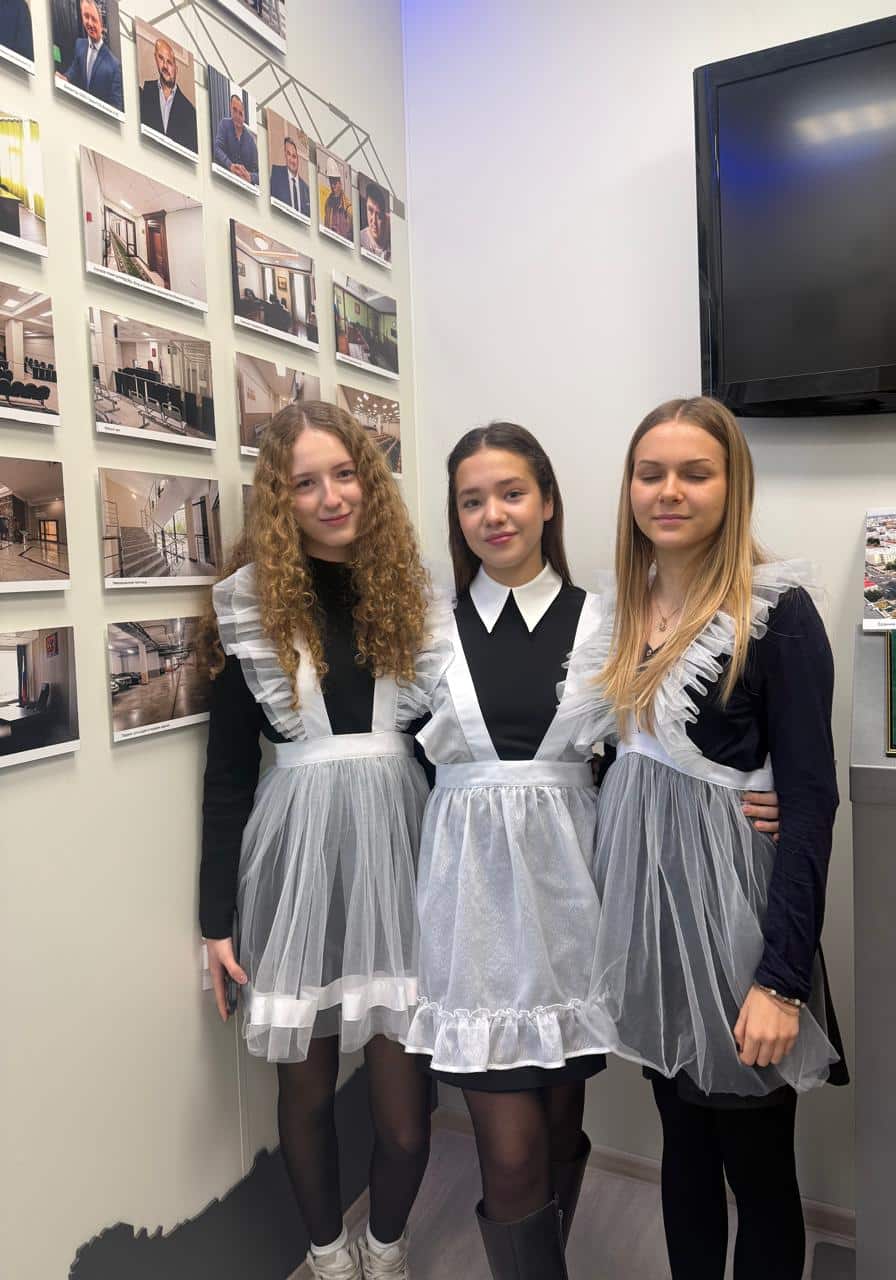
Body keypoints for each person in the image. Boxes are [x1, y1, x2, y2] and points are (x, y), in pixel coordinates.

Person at [406, 422, 782, 1279]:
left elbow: (674, 744)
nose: (494, 514)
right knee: (509, 1156)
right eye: (472, 500)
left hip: (581, 904)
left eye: (512, 493)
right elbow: (390, 758)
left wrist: (777, 791)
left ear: (548, 502)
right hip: (473, 918)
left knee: (560, 1129)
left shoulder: (615, 620)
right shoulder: (426, 631)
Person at [571, 396, 846, 1279]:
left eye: (696, 473)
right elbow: (621, 760)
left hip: (739, 932)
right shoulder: (621, 610)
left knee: (756, 1165)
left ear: (733, 486)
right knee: (682, 1147)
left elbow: (811, 803)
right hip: (652, 928)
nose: (670, 491)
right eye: (650, 473)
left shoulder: (777, 613)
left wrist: (782, 983)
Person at [199, 402, 442, 1279]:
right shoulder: (250, 607)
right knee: (303, 1091)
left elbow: (455, 747)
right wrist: (214, 920)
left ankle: (386, 1246)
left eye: (345, 474)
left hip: (402, 855)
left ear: (369, 482)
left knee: (405, 1115)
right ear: (280, 499)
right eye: (306, 483)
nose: (332, 496)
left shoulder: (415, 595)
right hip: (296, 864)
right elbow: (229, 775)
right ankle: (330, 1257)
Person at [59, 0, 123, 111]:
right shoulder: (79, 45)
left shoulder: (114, 65)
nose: (89, 23)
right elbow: (73, 70)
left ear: (101, 25)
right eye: (86, 16)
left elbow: (117, 106)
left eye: (93, 19)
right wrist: (64, 78)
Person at [139, 36, 198, 153]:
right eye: (161, 58)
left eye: (169, 62)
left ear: (176, 69)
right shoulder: (145, 93)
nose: (165, 66)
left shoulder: (190, 112)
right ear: (155, 59)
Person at [214, 92, 259, 186]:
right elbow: (217, 149)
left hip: (244, 187)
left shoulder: (251, 141)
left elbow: (259, 174)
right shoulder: (224, 124)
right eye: (234, 110)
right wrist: (230, 165)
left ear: (244, 117)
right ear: (230, 110)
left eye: (240, 113)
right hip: (224, 181)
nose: (237, 116)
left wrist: (250, 176)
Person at [270, 136, 310, 216]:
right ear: (285, 156)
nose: (291, 160)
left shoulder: (306, 189)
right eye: (288, 154)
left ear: (298, 159)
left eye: (294, 156)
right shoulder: (276, 175)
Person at [321, 155, 353, 241]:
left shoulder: (348, 208)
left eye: (335, 183)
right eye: (331, 182)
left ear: (340, 183)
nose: (332, 186)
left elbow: (351, 236)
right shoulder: (328, 204)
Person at [359, 180, 391, 263]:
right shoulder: (360, 238)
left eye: (378, 215)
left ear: (385, 216)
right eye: (370, 210)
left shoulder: (393, 230)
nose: (373, 221)